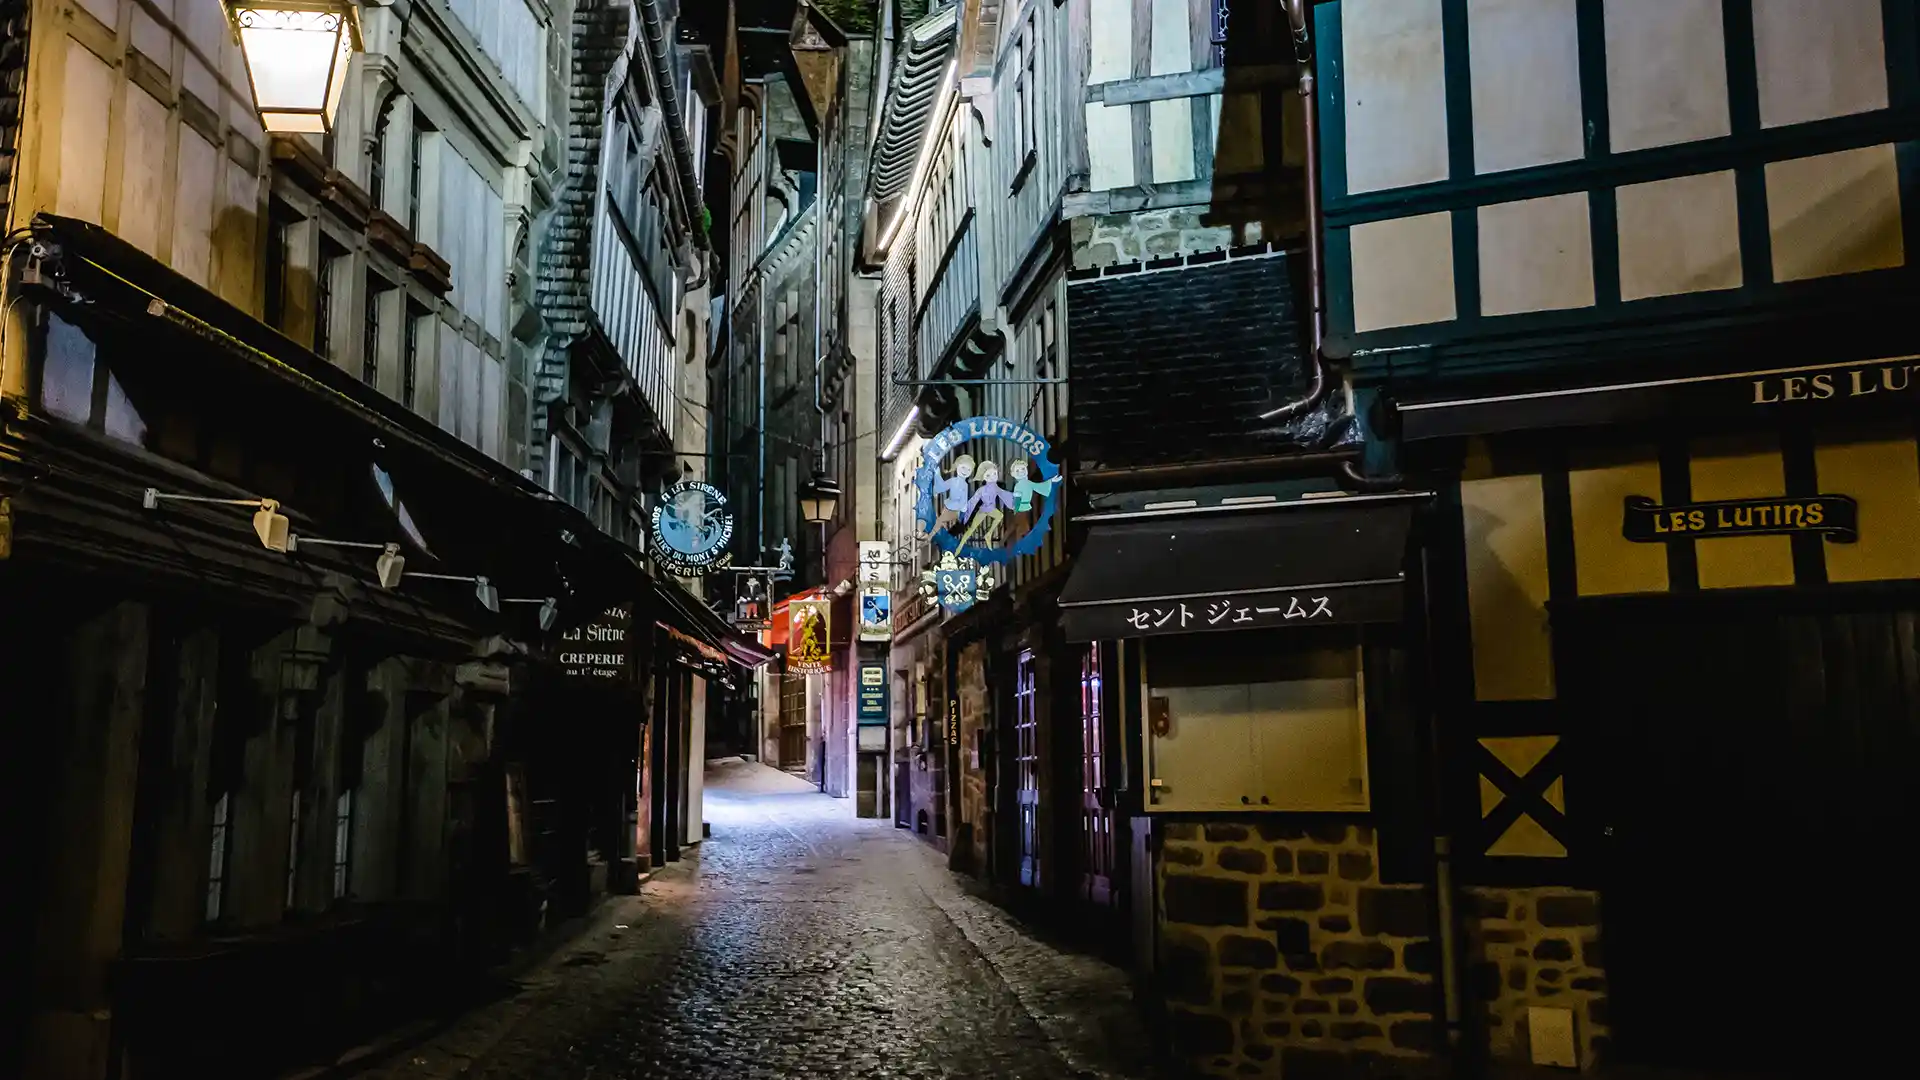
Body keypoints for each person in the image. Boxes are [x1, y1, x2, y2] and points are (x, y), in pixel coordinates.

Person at [956, 460, 1015, 549]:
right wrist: (965, 512)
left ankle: (988, 534)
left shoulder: (996, 487)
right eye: (988, 475)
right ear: (983, 477)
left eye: (994, 474)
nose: (992, 477)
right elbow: (973, 501)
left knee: (999, 515)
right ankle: (961, 545)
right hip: (984, 509)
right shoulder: (982, 490)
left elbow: (1004, 494)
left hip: (989, 509)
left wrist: (1014, 501)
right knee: (972, 528)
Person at [933, 454, 975, 534]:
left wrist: (961, 514)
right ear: (957, 466)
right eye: (963, 467)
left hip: (957, 510)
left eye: (969, 469)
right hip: (950, 507)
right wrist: (937, 474)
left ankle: (935, 536)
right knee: (940, 522)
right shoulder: (953, 481)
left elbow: (964, 502)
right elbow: (941, 487)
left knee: (940, 522)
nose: (965, 471)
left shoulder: (965, 485)